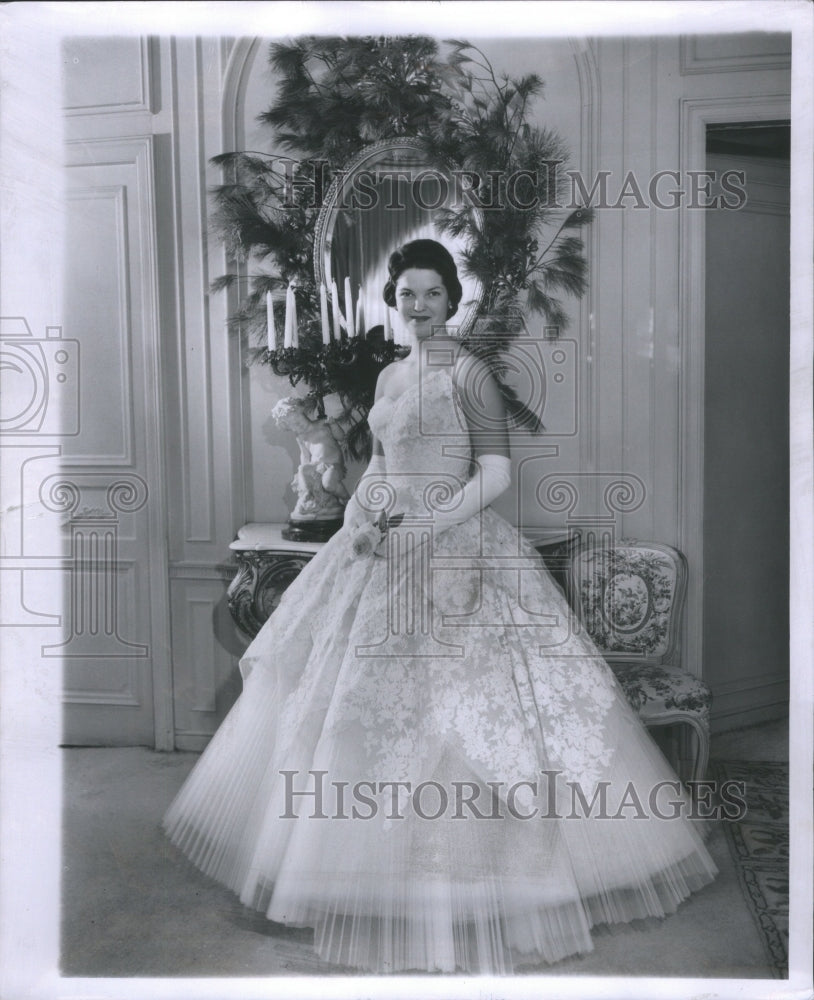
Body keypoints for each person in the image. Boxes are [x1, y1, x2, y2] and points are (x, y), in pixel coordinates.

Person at [163, 239, 718, 974]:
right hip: (383, 544)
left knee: (473, 712)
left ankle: (490, 878)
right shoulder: (390, 374)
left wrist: (432, 521)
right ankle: (357, 869)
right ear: (393, 301)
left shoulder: (470, 372)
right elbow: (382, 467)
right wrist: (363, 519)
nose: (418, 306)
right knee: (358, 706)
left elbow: (493, 472)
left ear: (453, 300)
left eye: (431, 294)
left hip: (461, 542)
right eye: (407, 295)